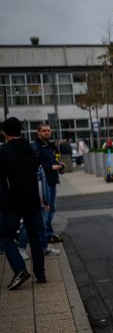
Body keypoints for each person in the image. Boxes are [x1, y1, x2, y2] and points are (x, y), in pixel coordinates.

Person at [0, 117, 47, 290]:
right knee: (34, 236)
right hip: (32, 199)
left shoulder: (3, 153)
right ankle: (40, 274)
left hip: (11, 202)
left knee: (5, 235)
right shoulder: (31, 150)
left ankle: (20, 270)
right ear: (20, 131)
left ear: (5, 133)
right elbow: (36, 169)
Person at [33, 122, 64, 243]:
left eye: (49, 130)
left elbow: (55, 159)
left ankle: (48, 233)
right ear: (38, 132)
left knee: (52, 209)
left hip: (52, 181)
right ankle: (44, 238)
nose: (47, 132)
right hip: (43, 183)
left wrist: (60, 166)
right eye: (44, 130)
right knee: (46, 210)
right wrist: (52, 167)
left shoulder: (50, 145)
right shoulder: (36, 147)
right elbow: (36, 166)